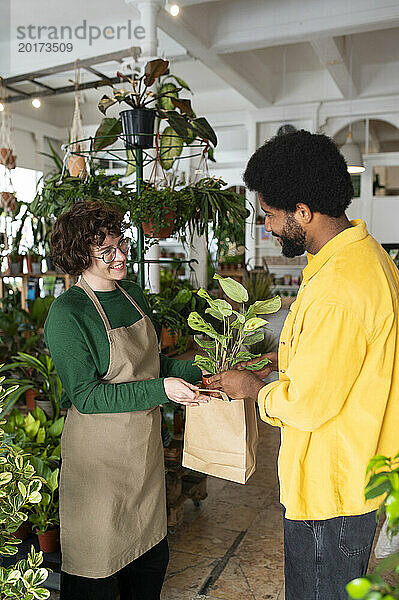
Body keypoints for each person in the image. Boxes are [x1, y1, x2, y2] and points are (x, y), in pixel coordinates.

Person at [208, 130, 399, 600]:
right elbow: (344, 357)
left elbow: (309, 403)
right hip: (351, 477)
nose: (266, 226)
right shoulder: (360, 259)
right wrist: (277, 360)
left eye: (269, 215)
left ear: (303, 212)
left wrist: (249, 389)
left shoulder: (340, 287)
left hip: (332, 492)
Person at [44, 201, 207, 600]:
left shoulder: (131, 294)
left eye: (122, 244)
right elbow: (87, 396)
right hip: (99, 463)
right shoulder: (68, 314)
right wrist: (162, 389)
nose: (121, 257)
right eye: (107, 252)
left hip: (142, 453)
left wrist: (199, 369)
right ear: (80, 256)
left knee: (150, 563)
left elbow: (150, 362)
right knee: (95, 573)